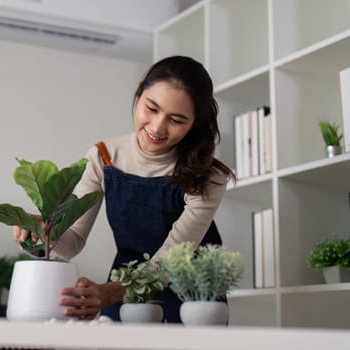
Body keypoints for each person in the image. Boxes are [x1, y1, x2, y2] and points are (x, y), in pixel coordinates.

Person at [13, 55, 235, 323]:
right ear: (139, 94)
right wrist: (44, 230)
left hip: (193, 290)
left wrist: (110, 293)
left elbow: (170, 261)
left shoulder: (208, 175)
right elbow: (72, 243)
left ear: (194, 122)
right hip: (125, 282)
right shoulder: (104, 157)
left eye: (176, 120)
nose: (157, 127)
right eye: (151, 108)